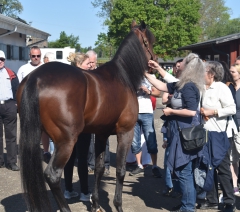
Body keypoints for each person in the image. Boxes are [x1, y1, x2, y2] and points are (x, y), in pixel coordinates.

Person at [145, 53, 205, 212]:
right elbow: (162, 85)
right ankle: (188, 204)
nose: (179, 66)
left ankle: (188, 207)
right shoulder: (181, 84)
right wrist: (145, 73)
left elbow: (192, 112)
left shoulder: (189, 86)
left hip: (186, 135)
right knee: (184, 172)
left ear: (188, 67)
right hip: (179, 133)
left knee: (184, 172)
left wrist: (171, 111)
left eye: (182, 64)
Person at [199, 61, 236, 212]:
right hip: (206, 133)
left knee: (222, 167)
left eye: (204, 71)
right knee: (208, 167)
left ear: (211, 75)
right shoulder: (202, 87)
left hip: (221, 134)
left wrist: (212, 112)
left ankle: (229, 201)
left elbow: (232, 108)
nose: (201, 73)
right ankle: (212, 200)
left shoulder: (221, 88)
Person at [63, 52, 91, 201]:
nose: (91, 66)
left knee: (69, 157)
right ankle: (85, 192)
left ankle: (68, 189)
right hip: (82, 124)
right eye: (88, 64)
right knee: (82, 158)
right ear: (79, 65)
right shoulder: (85, 80)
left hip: (67, 124)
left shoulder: (67, 79)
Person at [129, 72, 162, 177]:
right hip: (133, 112)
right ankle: (139, 165)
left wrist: (148, 91)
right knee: (135, 141)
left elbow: (158, 93)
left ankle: (155, 166)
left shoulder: (151, 77)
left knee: (151, 140)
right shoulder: (132, 76)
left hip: (147, 112)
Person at [86, 50, 111, 176]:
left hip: (102, 111)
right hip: (90, 112)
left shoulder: (102, 74)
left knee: (104, 140)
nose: (90, 64)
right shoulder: (84, 74)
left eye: (92, 62)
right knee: (89, 140)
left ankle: (106, 164)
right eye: (89, 62)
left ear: (96, 61)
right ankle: (91, 164)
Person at [0, 50, 19, 171]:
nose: (0, 61)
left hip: (9, 105)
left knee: (11, 135)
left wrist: (16, 104)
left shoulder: (11, 73)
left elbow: (17, 89)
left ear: (4, 60)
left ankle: (11, 162)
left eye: (2, 59)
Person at [41, 52, 56, 163]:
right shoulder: (41, 73)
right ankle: (48, 152)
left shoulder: (57, 74)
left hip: (54, 107)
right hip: (44, 106)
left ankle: (54, 153)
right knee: (45, 131)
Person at [230, 63, 240, 194]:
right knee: (232, 158)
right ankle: (234, 184)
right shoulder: (229, 87)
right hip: (231, 126)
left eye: (233, 72)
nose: (230, 74)